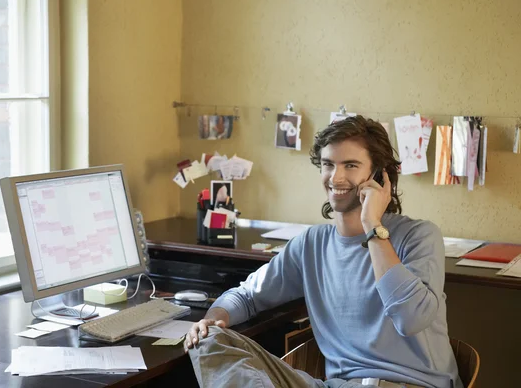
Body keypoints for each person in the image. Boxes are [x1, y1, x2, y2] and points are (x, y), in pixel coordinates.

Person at [184, 115, 463, 388]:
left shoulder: (419, 236)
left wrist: (372, 225)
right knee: (209, 340)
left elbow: (410, 319)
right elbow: (247, 296)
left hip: (407, 384)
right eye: (328, 164)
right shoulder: (311, 244)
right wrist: (215, 316)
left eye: (351, 165)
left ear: (380, 176)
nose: (336, 177)